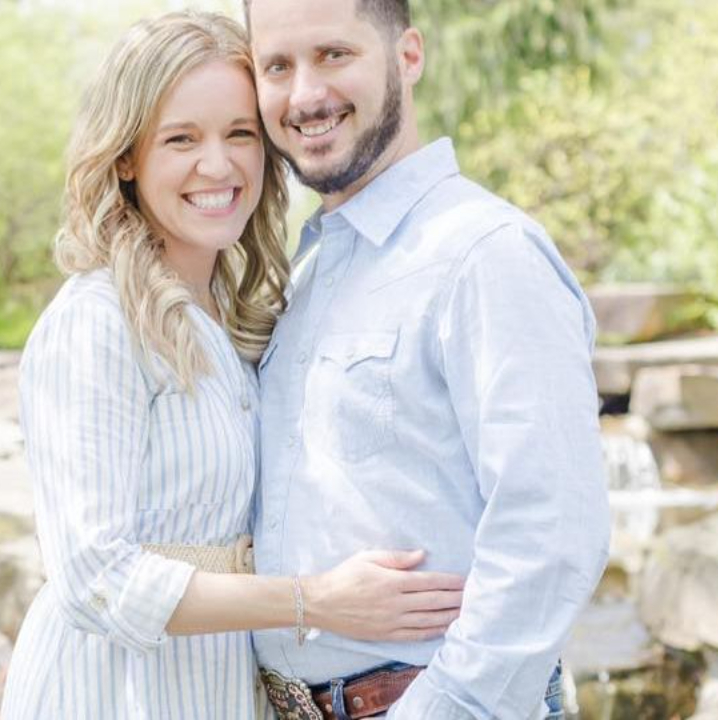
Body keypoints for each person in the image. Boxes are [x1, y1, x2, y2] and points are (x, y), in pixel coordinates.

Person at [0, 11, 466, 720]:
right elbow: (94, 577)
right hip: (114, 692)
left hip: (216, 690)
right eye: (181, 139)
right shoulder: (96, 322)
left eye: (240, 134)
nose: (217, 166)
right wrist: (317, 600)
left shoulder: (240, 319)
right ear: (126, 158)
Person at [243, 0, 613, 718]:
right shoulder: (304, 272)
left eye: (334, 54)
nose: (305, 94)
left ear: (407, 56)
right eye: (277, 66)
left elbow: (553, 533)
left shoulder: (485, 253)